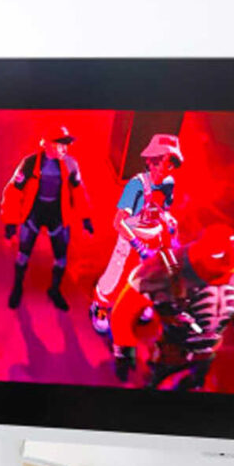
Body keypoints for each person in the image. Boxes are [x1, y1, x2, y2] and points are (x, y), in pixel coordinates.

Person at [110, 224, 234, 389]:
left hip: (209, 353)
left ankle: (194, 381)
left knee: (197, 380)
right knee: (154, 382)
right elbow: (124, 309)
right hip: (171, 353)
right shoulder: (163, 269)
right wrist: (123, 349)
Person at [90, 133, 183, 335]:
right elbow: (118, 222)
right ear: (151, 161)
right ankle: (100, 306)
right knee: (116, 272)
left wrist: (168, 220)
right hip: (130, 235)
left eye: (172, 164)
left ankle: (140, 305)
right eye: (165, 163)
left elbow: (164, 209)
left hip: (154, 236)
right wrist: (138, 246)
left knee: (150, 275)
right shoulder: (136, 186)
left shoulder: (169, 184)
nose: (168, 169)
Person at [0, 126, 94, 311]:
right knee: (22, 255)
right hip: (34, 213)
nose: (65, 149)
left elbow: (78, 191)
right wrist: (10, 224)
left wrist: (86, 218)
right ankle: (18, 287)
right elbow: (13, 192)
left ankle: (54, 290)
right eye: (61, 144)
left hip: (58, 215)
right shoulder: (30, 163)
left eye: (66, 145)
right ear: (48, 144)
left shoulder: (70, 164)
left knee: (61, 258)